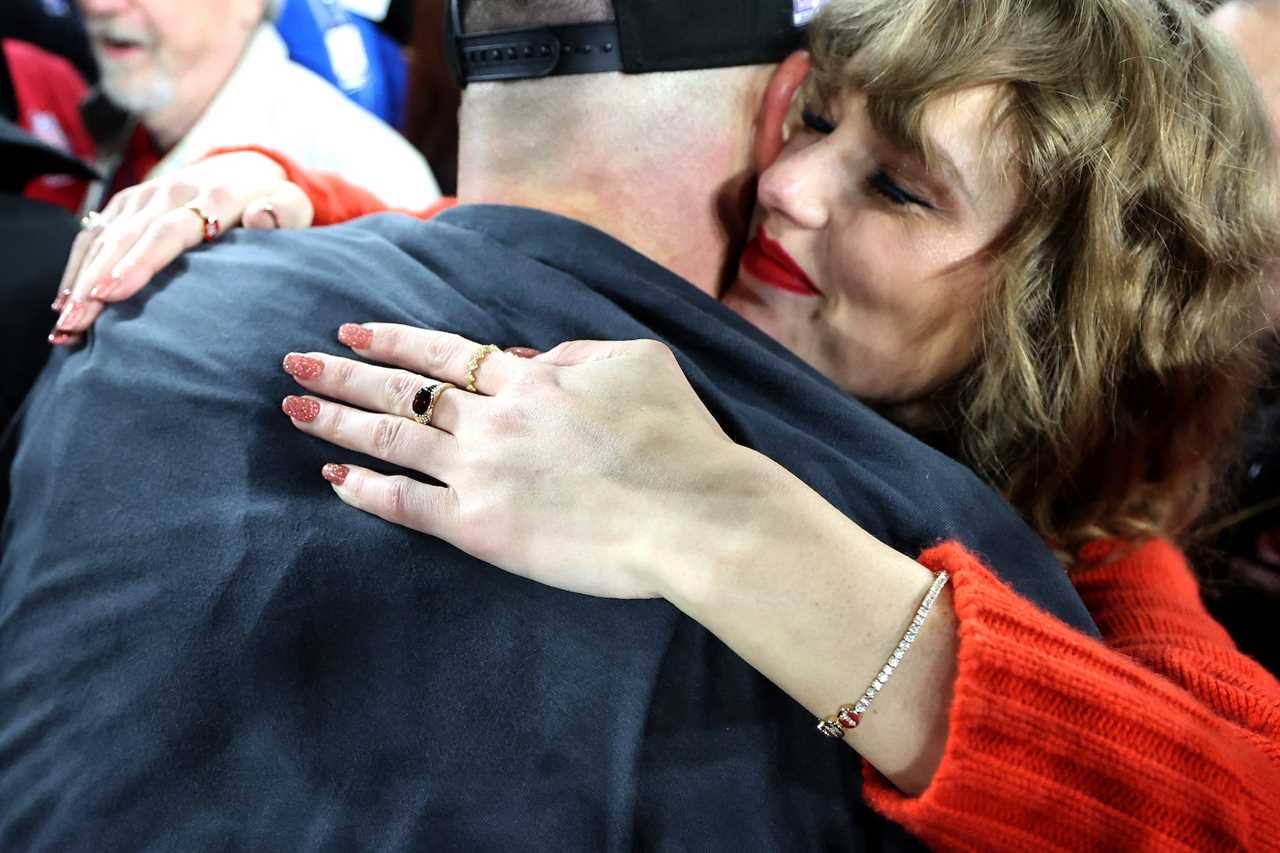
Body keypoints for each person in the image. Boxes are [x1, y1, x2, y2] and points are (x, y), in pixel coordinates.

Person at [60, 0, 1280, 847]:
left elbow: (1242, 806)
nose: (788, 187)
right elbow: (517, 234)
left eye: (897, 187)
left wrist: (725, 530)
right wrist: (284, 195)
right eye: (814, 119)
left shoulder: (1099, 558)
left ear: (1066, 310)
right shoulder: (740, 300)